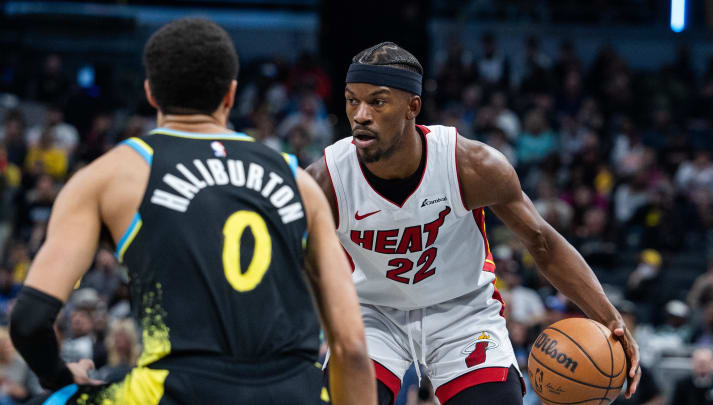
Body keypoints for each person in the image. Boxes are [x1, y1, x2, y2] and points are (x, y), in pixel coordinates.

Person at [10, 18, 375, 405]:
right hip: (292, 391)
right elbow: (351, 345)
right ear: (231, 95)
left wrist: (61, 376)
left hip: (179, 389)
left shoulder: (112, 174)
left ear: (151, 94)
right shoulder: (296, 179)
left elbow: (30, 320)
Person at [307, 41, 641, 405]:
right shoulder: (326, 181)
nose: (360, 114)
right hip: (372, 313)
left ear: (412, 108)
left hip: (461, 312)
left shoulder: (471, 166)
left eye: (378, 101)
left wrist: (611, 319)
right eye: (352, 100)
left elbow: (542, 242)